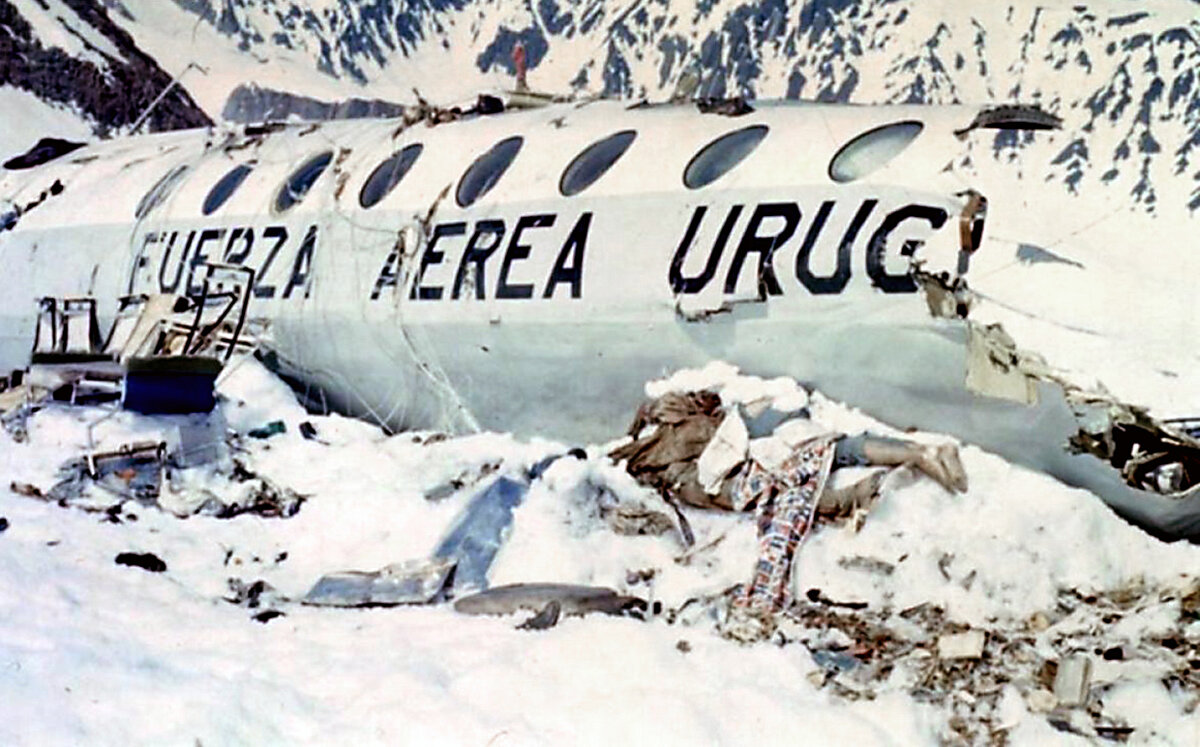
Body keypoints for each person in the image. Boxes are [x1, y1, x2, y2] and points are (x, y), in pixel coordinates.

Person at [609, 389, 968, 641]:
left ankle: (858, 494)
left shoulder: (659, 460)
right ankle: (920, 452)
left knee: (781, 492)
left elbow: (722, 492)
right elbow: (709, 407)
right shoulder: (674, 424)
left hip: (743, 448)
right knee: (829, 450)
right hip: (754, 432)